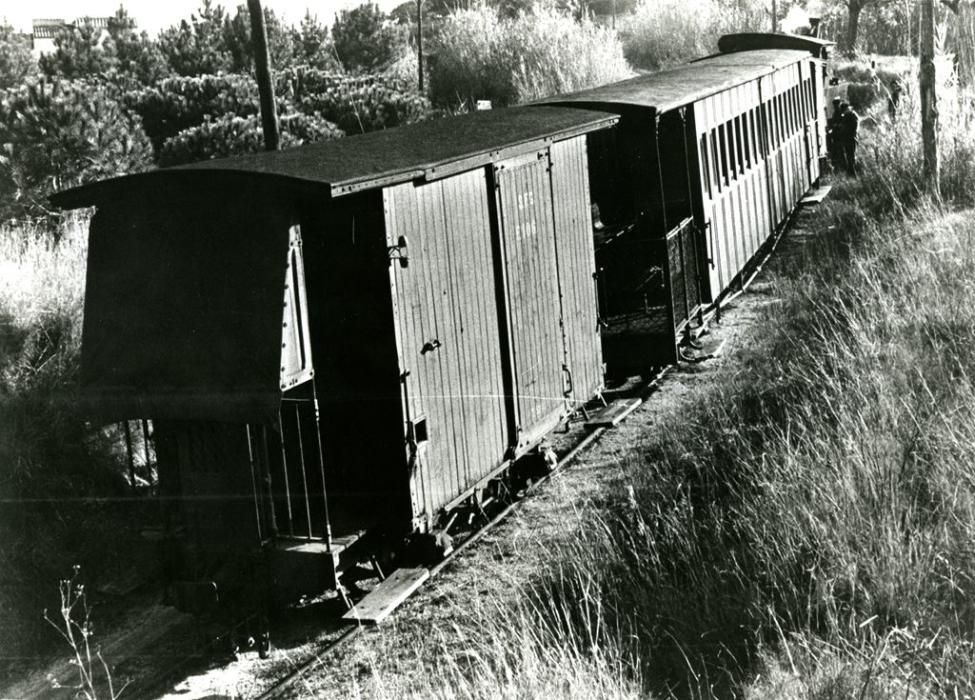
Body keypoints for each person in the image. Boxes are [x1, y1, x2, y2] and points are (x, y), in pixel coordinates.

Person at [838, 102, 860, 175]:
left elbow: (850, 128)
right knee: (850, 155)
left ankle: (852, 172)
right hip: (851, 138)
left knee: (850, 156)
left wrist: (841, 128)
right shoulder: (852, 115)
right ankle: (851, 172)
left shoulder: (850, 115)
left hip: (850, 138)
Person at [826, 97, 844, 171]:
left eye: (836, 105)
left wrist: (835, 125)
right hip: (836, 135)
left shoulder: (840, 113)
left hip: (840, 135)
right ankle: (837, 166)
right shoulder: (836, 112)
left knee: (840, 151)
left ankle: (841, 166)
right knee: (836, 151)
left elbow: (842, 123)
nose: (835, 106)